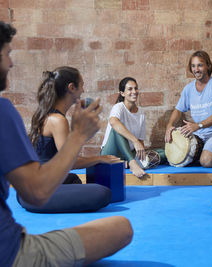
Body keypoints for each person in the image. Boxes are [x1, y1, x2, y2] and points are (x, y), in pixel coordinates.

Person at [0, 22, 132, 267]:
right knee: (105, 197)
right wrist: (92, 150)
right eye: (7, 53)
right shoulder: (55, 119)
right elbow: (59, 170)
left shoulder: (46, 115)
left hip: (33, 190)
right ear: (72, 88)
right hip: (32, 203)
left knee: (77, 182)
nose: (11, 62)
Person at [20, 66, 120, 213]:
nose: (84, 90)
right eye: (82, 85)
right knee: (102, 193)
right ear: (71, 87)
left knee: (72, 179)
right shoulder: (58, 120)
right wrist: (100, 158)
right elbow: (70, 162)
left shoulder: (48, 115)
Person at [164, 50, 212, 167]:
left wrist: (198, 125)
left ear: (208, 66)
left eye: (200, 65)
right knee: (178, 155)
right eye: (193, 66)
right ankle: (205, 153)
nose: (196, 69)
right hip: (198, 133)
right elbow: (178, 110)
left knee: (206, 161)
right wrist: (169, 125)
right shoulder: (188, 89)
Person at [101, 77, 165, 178]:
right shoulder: (119, 107)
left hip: (127, 154)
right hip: (111, 152)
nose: (134, 92)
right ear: (122, 93)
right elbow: (113, 122)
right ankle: (131, 163)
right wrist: (135, 141)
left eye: (136, 88)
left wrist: (142, 154)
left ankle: (125, 163)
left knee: (161, 153)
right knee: (117, 128)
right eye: (130, 89)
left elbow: (141, 142)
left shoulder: (141, 114)